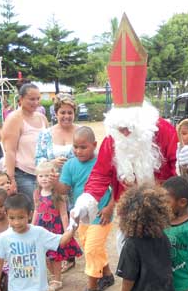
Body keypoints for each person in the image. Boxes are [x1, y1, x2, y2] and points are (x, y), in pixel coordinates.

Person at [70, 15, 179, 226]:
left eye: (128, 129)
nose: (124, 134)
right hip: (128, 215)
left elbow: (178, 170)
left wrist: (186, 166)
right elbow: (100, 175)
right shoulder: (113, 139)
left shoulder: (163, 130)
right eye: (120, 129)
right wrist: (84, 204)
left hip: (166, 212)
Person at [56, 126, 115, 291]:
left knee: (91, 249)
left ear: (94, 145)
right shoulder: (70, 165)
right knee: (92, 246)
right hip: (81, 215)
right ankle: (107, 275)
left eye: (83, 147)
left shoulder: (103, 163)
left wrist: (109, 208)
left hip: (101, 215)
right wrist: (54, 182)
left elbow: (117, 188)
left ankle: (92, 288)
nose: (78, 151)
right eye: (75, 147)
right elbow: (64, 189)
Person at [32, 160, 82, 291]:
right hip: (41, 228)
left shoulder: (57, 194)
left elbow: (63, 214)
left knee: (55, 255)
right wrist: (32, 226)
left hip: (55, 228)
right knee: (44, 254)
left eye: (47, 176)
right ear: (37, 178)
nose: (44, 179)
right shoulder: (36, 193)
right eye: (41, 176)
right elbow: (36, 210)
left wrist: (66, 232)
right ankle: (55, 275)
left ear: (54, 177)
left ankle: (57, 280)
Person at [2, 83, 48, 201]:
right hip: (24, 174)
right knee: (33, 207)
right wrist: (11, 179)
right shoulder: (14, 119)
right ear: (21, 99)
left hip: (43, 173)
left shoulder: (42, 118)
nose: (35, 102)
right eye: (31, 99)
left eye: (38, 99)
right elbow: (10, 151)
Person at [35, 93, 77, 169]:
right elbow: (37, 160)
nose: (67, 116)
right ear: (56, 113)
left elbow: (92, 157)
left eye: (70, 113)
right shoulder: (45, 134)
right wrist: (51, 163)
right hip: (52, 176)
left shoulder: (82, 132)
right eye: (63, 113)